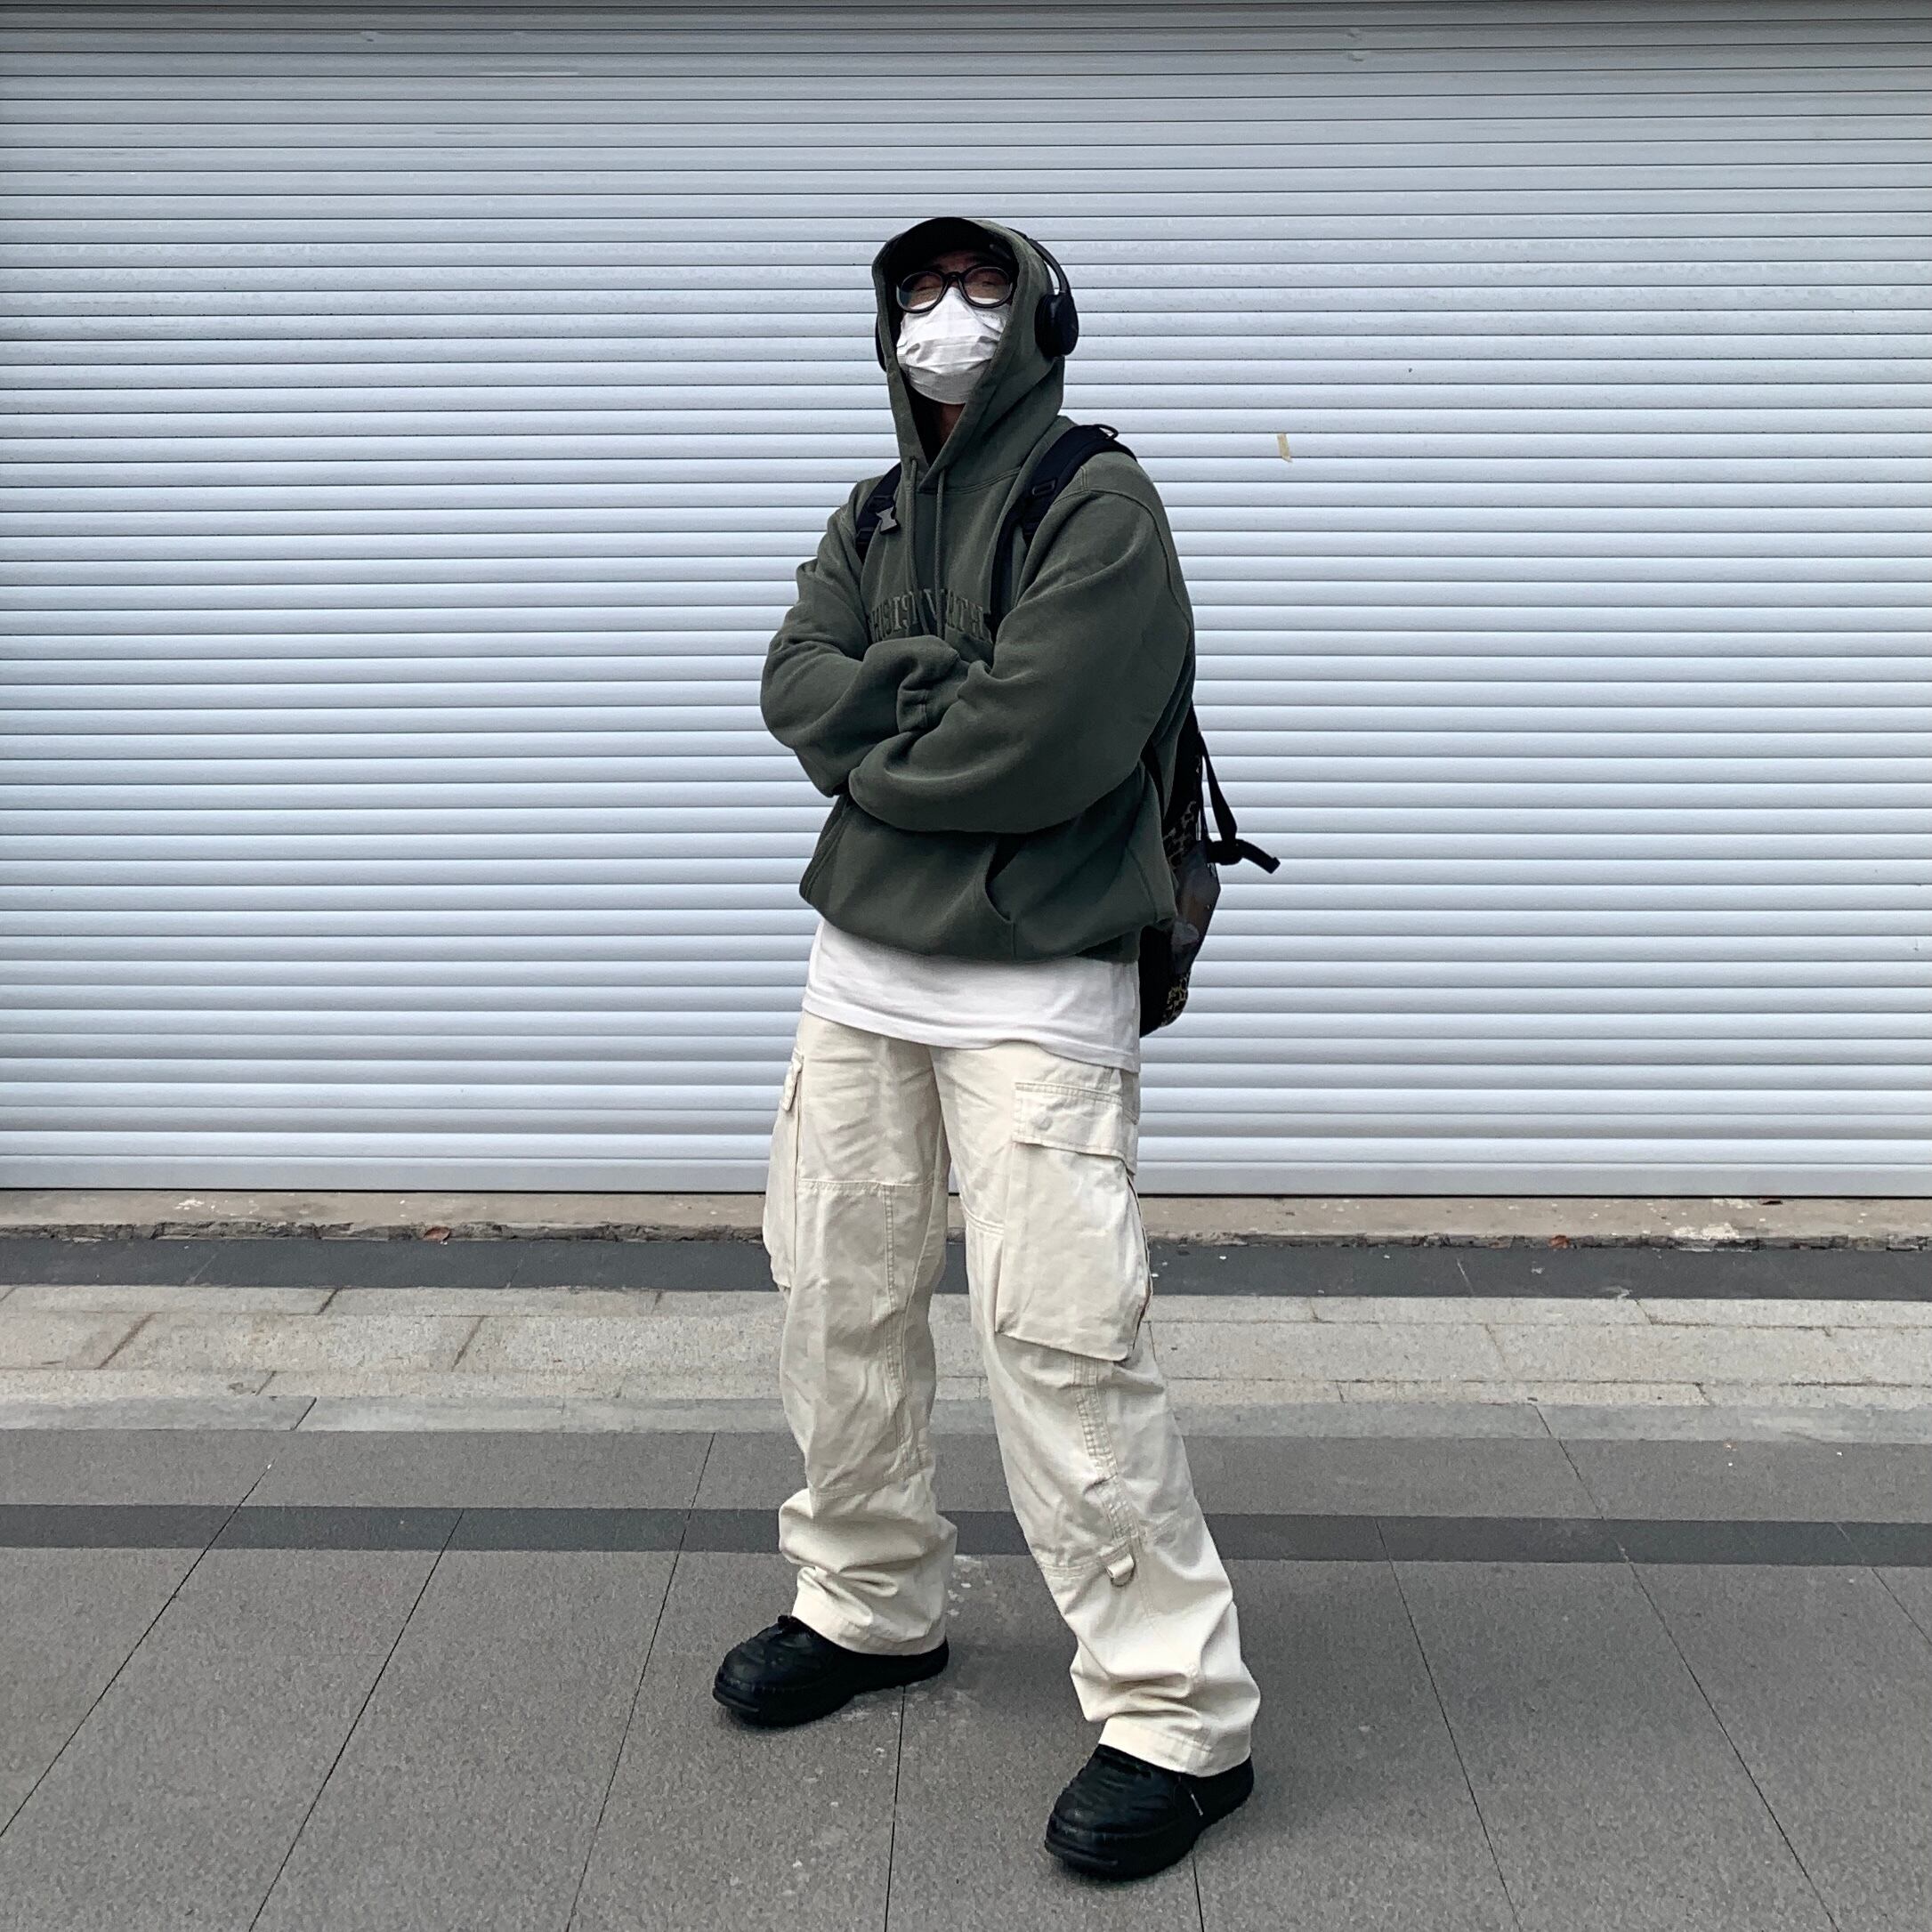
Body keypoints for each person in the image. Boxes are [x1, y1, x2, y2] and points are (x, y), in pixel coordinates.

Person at [714, 216, 1258, 1882]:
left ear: (1041, 320)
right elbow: (791, 684)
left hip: (1036, 983)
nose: (945, 317)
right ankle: (869, 1600)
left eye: (982, 289)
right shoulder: (870, 513)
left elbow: (1044, 738)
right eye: (919, 291)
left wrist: (877, 752)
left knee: (1062, 1340)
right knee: (836, 1295)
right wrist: (921, 689)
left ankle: (1176, 1714)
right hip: (859, 974)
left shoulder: (1101, 505)